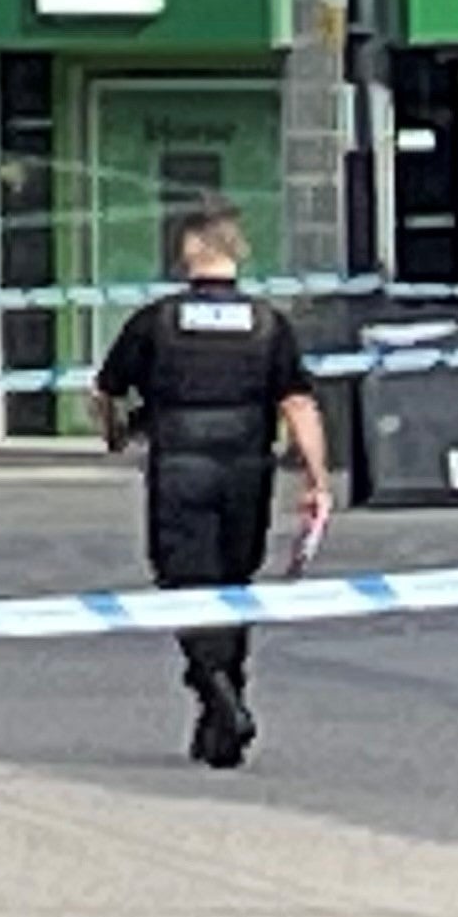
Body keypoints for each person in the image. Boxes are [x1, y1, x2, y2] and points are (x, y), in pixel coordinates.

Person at [91, 202, 332, 770]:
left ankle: (218, 693)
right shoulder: (269, 323)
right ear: (237, 253)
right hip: (248, 466)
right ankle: (223, 711)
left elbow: (106, 390)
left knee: (185, 584)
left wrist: (115, 433)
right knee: (233, 584)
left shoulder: (157, 320)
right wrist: (318, 479)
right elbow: (298, 403)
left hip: (180, 464)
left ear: (187, 254)